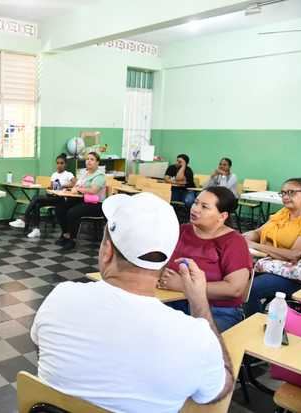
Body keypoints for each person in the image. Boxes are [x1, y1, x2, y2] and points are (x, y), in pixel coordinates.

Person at [31, 192, 233, 412]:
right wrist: (200, 304)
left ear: (107, 251)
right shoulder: (195, 337)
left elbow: (42, 352)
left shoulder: (60, 297)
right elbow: (219, 390)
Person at [159, 187, 252, 331]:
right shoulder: (183, 231)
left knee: (187, 338)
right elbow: (162, 261)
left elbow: (235, 289)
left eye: (204, 207)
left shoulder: (234, 242)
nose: (195, 209)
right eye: (196, 203)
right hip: (174, 302)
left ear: (222, 216)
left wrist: (184, 286)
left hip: (218, 311)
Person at [244, 178, 301, 316]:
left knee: (252, 288)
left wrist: (256, 246)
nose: (285, 197)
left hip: (293, 276)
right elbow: (258, 232)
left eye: (291, 192)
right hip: (271, 264)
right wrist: (240, 238)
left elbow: (294, 255)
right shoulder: (284, 213)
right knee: (237, 277)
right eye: (283, 193)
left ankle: (252, 325)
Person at [8, 153, 75, 238]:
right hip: (52, 196)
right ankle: (36, 230)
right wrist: (50, 187)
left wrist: (63, 185)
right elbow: (52, 186)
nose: (59, 165)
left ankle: (24, 219)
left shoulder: (68, 174)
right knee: (37, 205)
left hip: (60, 199)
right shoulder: (54, 174)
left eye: (62, 163)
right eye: (57, 163)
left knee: (36, 198)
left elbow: (74, 183)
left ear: (65, 164)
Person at [54, 151, 106, 251]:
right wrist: (69, 189)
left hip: (95, 204)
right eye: (87, 159)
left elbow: (93, 191)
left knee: (72, 212)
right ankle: (65, 234)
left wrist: (78, 189)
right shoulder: (84, 174)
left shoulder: (99, 176)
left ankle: (72, 240)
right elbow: (77, 185)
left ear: (97, 163)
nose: (89, 161)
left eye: (92, 159)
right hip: (82, 200)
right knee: (60, 208)